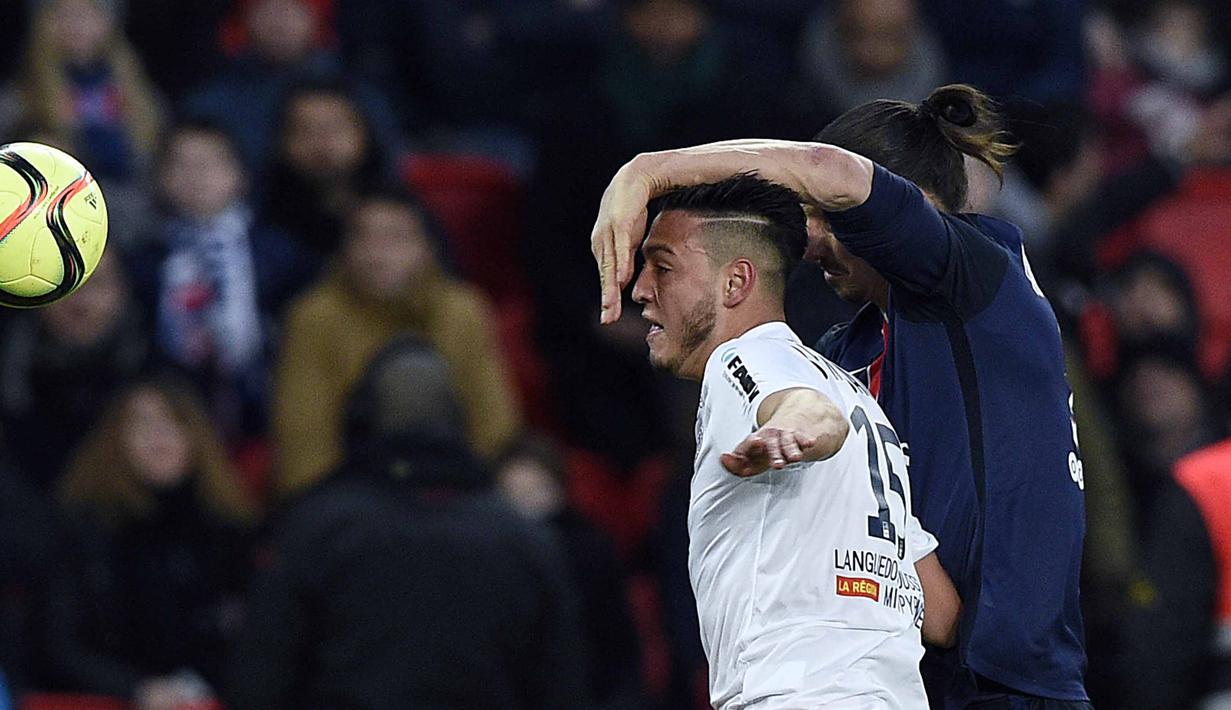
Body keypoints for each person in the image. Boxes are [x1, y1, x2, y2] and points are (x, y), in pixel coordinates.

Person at [589, 85, 1090, 707]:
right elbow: (930, 597)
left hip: (1012, 685)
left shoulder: (979, 278)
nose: (810, 239)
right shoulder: (842, 355)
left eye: (827, 215)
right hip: (923, 683)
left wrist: (649, 171)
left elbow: (830, 171)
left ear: (905, 210)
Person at [626, 174, 959, 708]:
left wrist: (796, 430)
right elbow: (940, 616)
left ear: (735, 283)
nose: (641, 289)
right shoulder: (863, 403)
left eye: (662, 267)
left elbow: (809, 412)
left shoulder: (742, 359)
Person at [226, 338, 587, 709]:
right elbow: (562, 688)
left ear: (361, 419)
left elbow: (260, 681)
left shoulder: (315, 529)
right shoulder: (525, 539)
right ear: (457, 420)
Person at [272, 189, 520, 497]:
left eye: (396, 239)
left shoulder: (463, 310)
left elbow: (493, 424)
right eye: (364, 239)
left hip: (456, 488)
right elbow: (305, 440)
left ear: (427, 249)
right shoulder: (314, 317)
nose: (377, 255)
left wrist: (485, 492)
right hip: (351, 494)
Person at [46, 376, 259, 710]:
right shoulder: (84, 530)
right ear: (115, 441)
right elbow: (60, 646)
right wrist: (137, 689)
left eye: (173, 423)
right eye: (142, 424)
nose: (159, 436)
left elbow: (256, 640)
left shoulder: (230, 529)